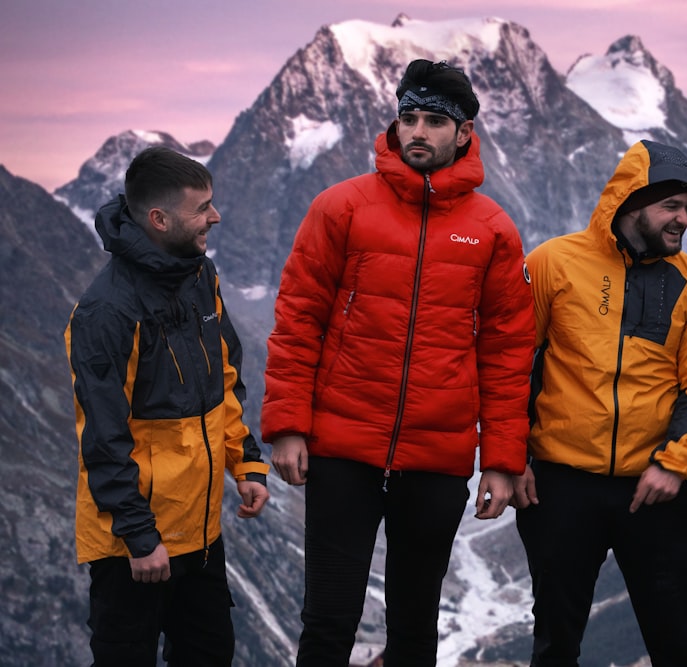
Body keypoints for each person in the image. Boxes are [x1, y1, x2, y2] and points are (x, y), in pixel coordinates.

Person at [261, 59, 535, 665]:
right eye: (407, 117)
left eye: (434, 120)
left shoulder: (493, 230)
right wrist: (286, 426)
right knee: (328, 619)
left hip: (436, 458)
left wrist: (502, 461)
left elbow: (507, 352)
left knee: (414, 629)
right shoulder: (341, 207)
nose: (417, 131)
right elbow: (298, 317)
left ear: (464, 132)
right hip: (341, 448)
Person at [512, 140, 687, 666]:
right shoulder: (552, 263)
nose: (683, 218)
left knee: (678, 646)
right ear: (631, 203)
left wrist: (674, 464)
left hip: (654, 487)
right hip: (560, 487)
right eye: (670, 206)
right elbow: (509, 364)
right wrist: (509, 457)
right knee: (556, 644)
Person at [65, 146, 271, 666]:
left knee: (209, 655)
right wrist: (138, 535)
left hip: (200, 535)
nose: (215, 217)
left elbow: (223, 383)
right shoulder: (107, 311)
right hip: (134, 546)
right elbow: (102, 438)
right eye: (202, 208)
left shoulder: (202, 278)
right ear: (159, 218)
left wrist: (244, 461)